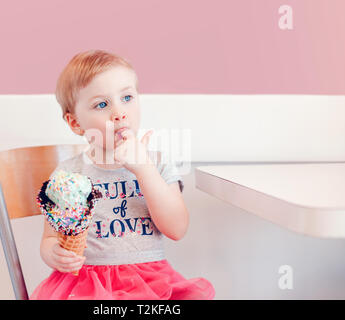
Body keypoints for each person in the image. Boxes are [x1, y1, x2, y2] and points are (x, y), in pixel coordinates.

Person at [31, 49, 215, 300]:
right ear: (75, 123)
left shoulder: (157, 163)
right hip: (87, 285)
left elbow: (176, 229)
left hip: (150, 283)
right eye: (102, 104)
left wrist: (143, 169)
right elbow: (51, 237)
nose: (119, 113)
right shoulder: (68, 174)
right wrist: (53, 253)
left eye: (127, 97)